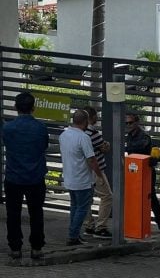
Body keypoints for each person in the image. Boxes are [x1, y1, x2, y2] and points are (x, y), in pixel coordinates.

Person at [3, 92, 49, 262]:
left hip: (13, 177)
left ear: (15, 107)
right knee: (36, 213)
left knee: (13, 214)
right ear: (33, 108)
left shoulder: (8, 128)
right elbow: (44, 146)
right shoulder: (41, 128)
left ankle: (15, 248)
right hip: (35, 178)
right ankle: (36, 248)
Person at [59, 110, 104, 246]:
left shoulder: (64, 135)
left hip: (69, 178)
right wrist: (99, 175)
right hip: (83, 180)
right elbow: (91, 159)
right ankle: (73, 236)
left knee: (74, 207)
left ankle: (74, 235)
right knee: (82, 209)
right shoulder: (83, 138)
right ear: (85, 122)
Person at [125, 113, 160, 234]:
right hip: (133, 172)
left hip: (146, 172)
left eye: (130, 123)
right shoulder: (129, 136)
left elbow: (141, 150)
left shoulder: (144, 137)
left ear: (137, 123)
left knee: (151, 197)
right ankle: (135, 224)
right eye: (126, 123)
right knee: (134, 197)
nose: (128, 125)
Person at [82, 106, 112, 239]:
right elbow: (104, 148)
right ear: (91, 117)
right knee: (107, 196)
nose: (98, 117)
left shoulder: (80, 132)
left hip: (84, 171)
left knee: (87, 199)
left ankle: (89, 225)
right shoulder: (93, 133)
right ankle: (101, 227)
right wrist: (106, 145)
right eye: (96, 115)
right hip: (96, 170)